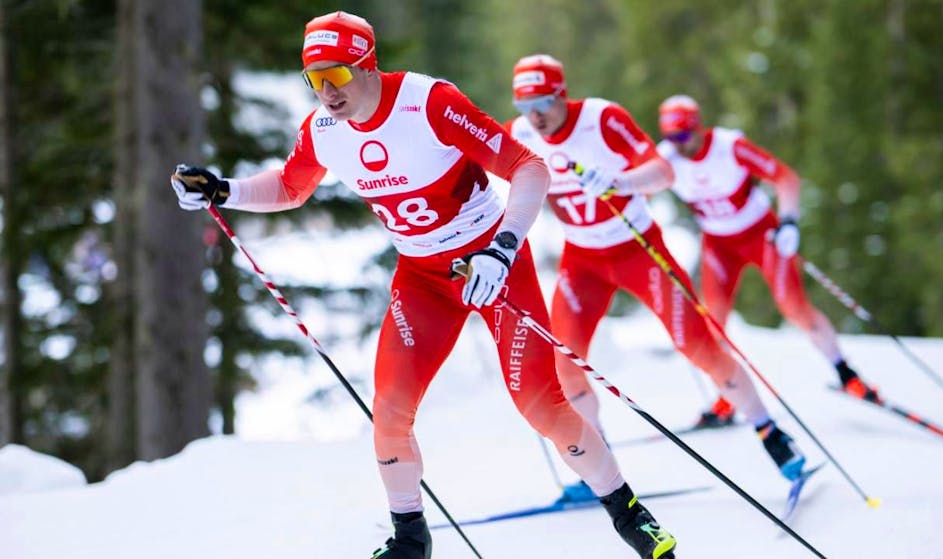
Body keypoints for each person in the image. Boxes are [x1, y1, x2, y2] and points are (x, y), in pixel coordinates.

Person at [170, 12, 676, 559]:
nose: (327, 93)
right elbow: (291, 187)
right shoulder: (323, 130)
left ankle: (631, 516)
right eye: (314, 80)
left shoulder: (429, 103)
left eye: (336, 76)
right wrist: (224, 189)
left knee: (541, 405)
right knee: (388, 408)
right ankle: (410, 539)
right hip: (422, 277)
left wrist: (501, 250)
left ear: (368, 66)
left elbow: (529, 168)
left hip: (491, 262)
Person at [506, 54, 808, 490]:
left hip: (636, 250)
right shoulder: (519, 132)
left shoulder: (601, 118)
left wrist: (620, 181)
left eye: (543, 103)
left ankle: (772, 434)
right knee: (565, 363)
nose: (534, 116)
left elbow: (662, 171)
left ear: (561, 95)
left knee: (698, 345)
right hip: (583, 260)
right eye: (524, 106)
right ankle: (597, 464)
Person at [656, 94, 881, 428]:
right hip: (718, 244)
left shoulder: (729, 146)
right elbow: (634, 187)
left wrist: (789, 220)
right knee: (713, 321)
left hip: (760, 233)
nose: (679, 145)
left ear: (698, 128)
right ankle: (728, 397)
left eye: (684, 136)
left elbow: (786, 178)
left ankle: (849, 376)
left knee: (794, 307)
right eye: (671, 138)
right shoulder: (666, 158)